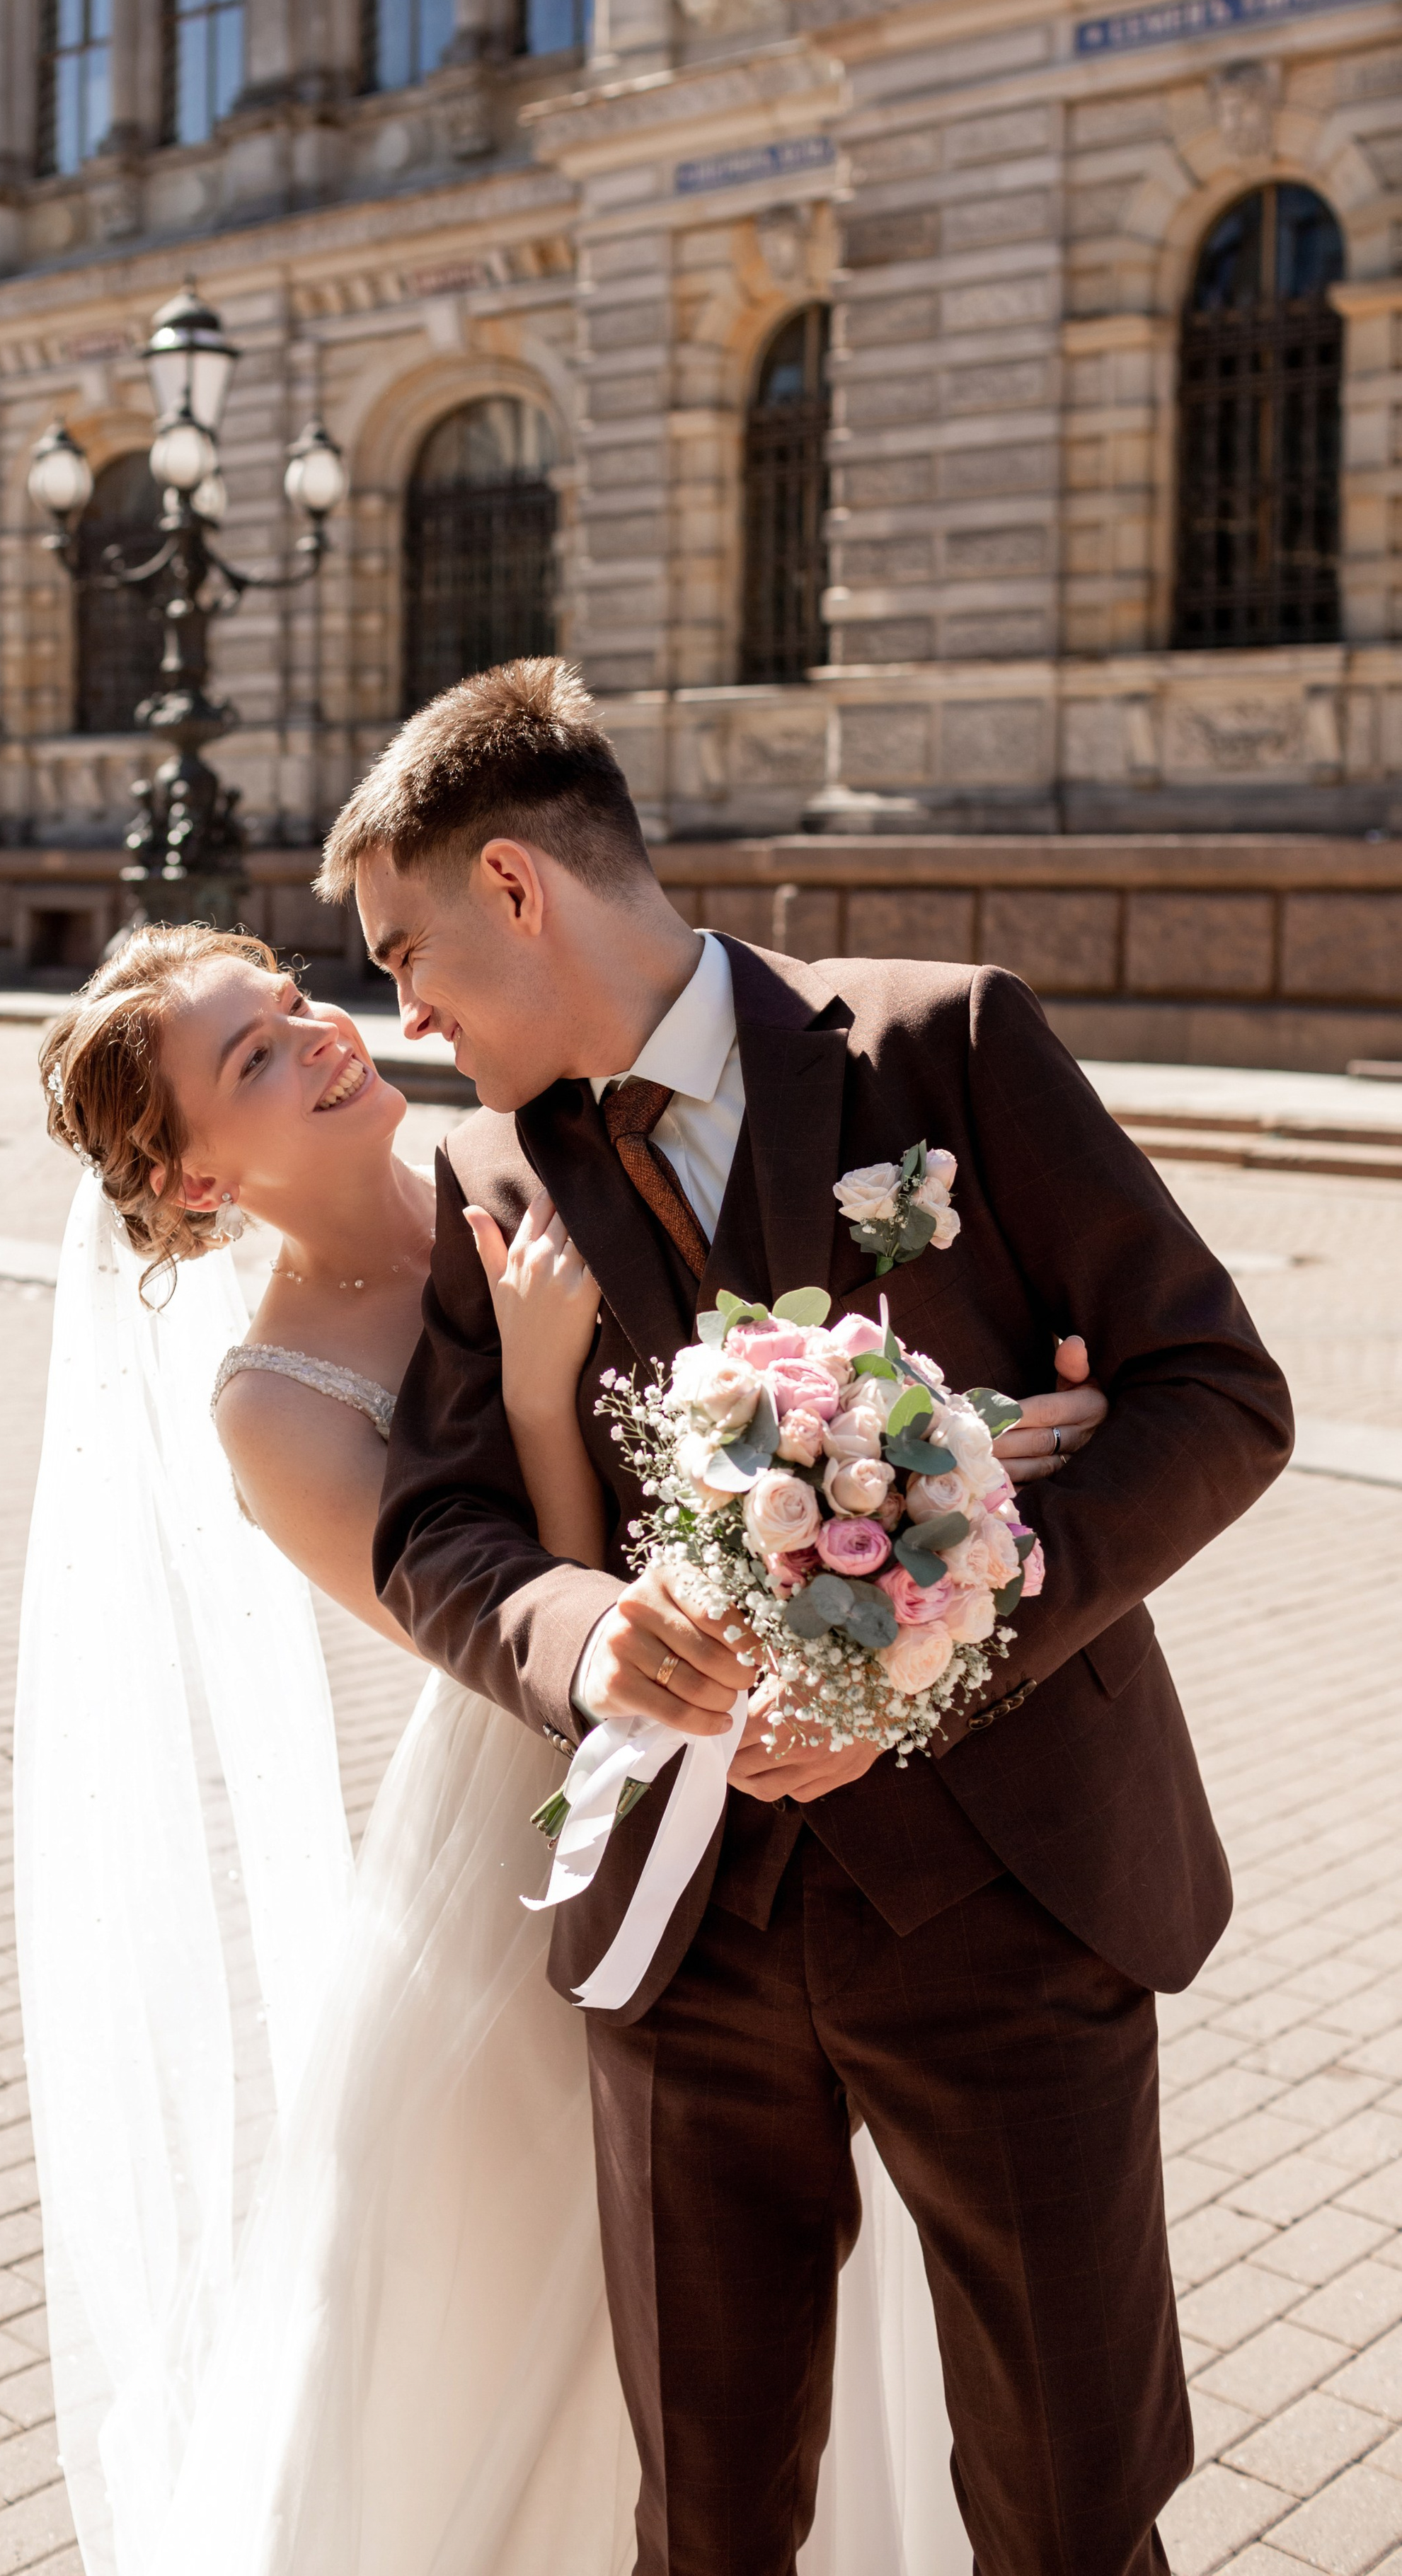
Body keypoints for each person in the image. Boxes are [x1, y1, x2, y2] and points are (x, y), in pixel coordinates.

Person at [313, 657, 1297, 2576]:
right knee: (703, 2519)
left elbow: (1215, 1395)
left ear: (514, 886)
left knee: (1069, 2505)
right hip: (685, 1940)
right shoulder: (490, 1179)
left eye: (404, 953)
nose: (402, 1012)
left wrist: (938, 1654)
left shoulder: (943, 1049)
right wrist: (585, 1635)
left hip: (1006, 1897)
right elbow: (437, 1527)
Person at [20, 915, 1108, 2576]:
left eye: (297, 1000)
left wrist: (969, 1451)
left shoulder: (530, 1160)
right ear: (193, 1180)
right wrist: (534, 1397)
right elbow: (496, 1645)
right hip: (554, 1835)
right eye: (254, 1057)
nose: (321, 1035)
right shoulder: (277, 1402)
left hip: (782, 1794)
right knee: (579, 2309)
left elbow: (780, 1382)